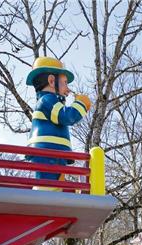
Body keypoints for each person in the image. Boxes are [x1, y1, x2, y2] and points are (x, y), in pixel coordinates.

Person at [26, 57, 93, 186]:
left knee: (56, 185)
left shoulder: (50, 101)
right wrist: (81, 104)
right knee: (48, 186)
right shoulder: (47, 100)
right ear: (51, 81)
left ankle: (49, 200)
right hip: (47, 153)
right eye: (65, 83)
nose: (67, 89)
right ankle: (44, 202)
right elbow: (67, 117)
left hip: (55, 153)